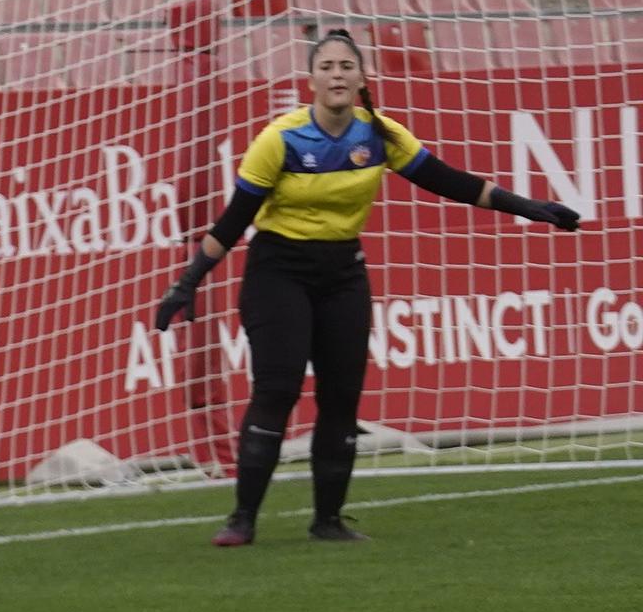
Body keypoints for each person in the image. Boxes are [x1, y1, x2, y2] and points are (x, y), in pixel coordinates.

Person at [154, 27, 580, 546]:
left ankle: (328, 521)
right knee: (277, 390)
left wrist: (530, 208)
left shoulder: (379, 134)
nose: (337, 75)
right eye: (327, 67)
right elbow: (231, 223)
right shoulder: (279, 139)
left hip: (343, 274)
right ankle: (243, 518)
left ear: (361, 78)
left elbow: (451, 181)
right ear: (310, 80)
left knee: (342, 396)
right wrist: (188, 283)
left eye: (346, 66)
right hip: (278, 273)